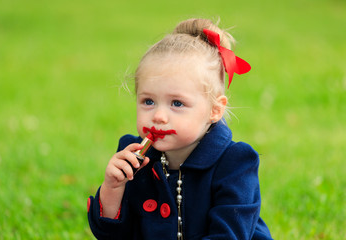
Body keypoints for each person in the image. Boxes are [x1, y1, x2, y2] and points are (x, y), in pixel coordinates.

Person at [87, 18, 273, 240]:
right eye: (148, 101)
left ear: (215, 110)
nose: (158, 115)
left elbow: (230, 234)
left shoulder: (235, 163)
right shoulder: (134, 157)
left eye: (177, 103)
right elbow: (112, 235)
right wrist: (113, 189)